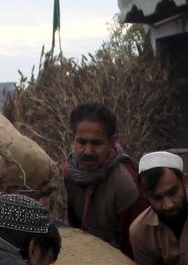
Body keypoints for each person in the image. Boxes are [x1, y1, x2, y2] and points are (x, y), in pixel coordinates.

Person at [61, 102, 147, 255]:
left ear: (112, 142)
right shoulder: (70, 175)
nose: (88, 151)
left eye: (96, 143)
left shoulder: (125, 184)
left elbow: (134, 246)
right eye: (81, 142)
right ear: (72, 138)